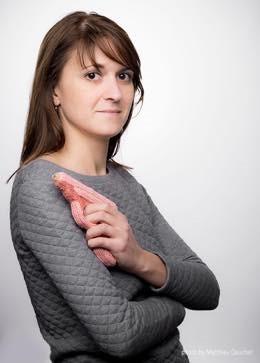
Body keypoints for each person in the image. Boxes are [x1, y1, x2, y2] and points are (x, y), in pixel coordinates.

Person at [8, 10, 220, 363]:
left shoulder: (126, 184)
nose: (115, 93)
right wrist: (176, 305)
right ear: (54, 90)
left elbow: (208, 289)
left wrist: (138, 259)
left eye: (124, 75)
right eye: (93, 75)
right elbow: (121, 334)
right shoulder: (39, 186)